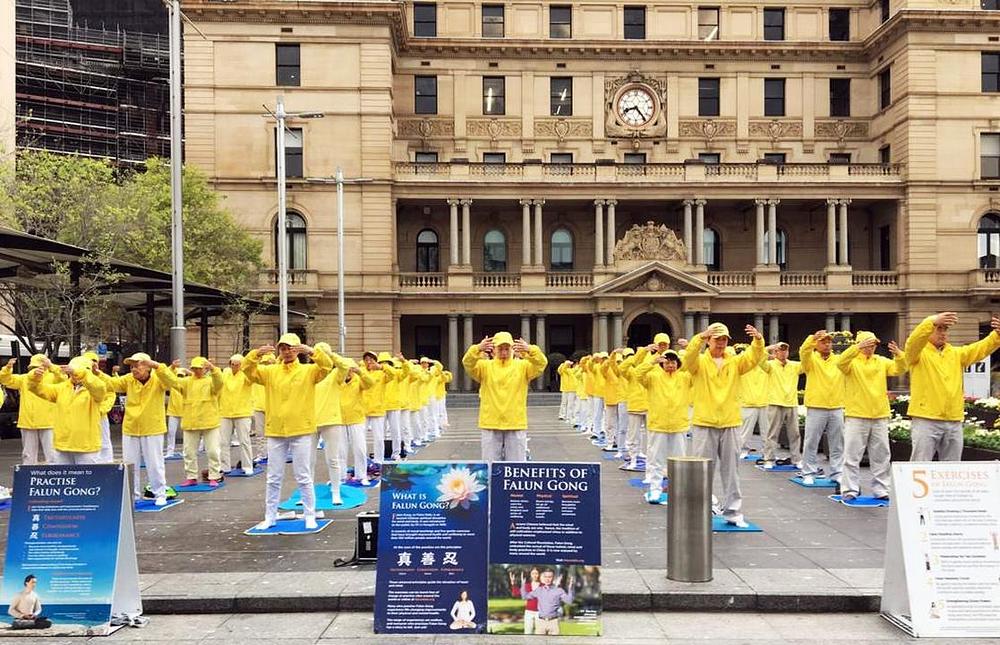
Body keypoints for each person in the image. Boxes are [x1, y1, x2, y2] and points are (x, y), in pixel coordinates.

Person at [243, 333, 333, 530]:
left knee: (303, 475)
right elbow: (248, 371)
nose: (287, 351)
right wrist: (255, 354)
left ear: (297, 349)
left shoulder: (308, 371)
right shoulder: (270, 372)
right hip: (276, 431)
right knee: (273, 476)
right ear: (279, 351)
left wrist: (312, 351)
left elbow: (326, 367)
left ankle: (310, 514)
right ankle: (270, 515)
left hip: (301, 429)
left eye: (291, 348)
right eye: (283, 348)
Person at [683, 322, 765, 528]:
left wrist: (758, 340)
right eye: (716, 339)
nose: (720, 343)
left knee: (731, 470)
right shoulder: (700, 363)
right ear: (709, 340)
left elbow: (753, 358)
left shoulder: (735, 362)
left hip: (730, 422)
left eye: (724, 339)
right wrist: (698, 338)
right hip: (705, 422)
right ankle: (700, 512)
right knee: (703, 471)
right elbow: (688, 358)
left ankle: (733, 512)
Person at [904, 312, 1000, 461]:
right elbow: (913, 341)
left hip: (954, 419)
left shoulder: (956, 353)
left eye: (945, 329)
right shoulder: (917, 354)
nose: (943, 333)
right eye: (939, 328)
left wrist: (996, 335)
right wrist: (931, 321)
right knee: (920, 465)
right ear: (929, 331)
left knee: (952, 468)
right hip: (926, 418)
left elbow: (980, 349)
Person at [836, 331, 907, 502]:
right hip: (857, 415)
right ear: (860, 344)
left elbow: (900, 369)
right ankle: (850, 489)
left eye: (873, 344)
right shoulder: (851, 363)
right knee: (852, 455)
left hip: (880, 414)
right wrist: (856, 348)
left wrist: (899, 354)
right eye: (867, 344)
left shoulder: (881, 361)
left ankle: (881, 489)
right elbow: (840, 362)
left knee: (882, 455)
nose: (871, 347)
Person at [102, 353, 178, 506]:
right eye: (131, 366)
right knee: (130, 464)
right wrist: (97, 373)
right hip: (131, 427)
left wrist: (157, 365)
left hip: (152, 427)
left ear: (147, 367)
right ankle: (133, 495)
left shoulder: (158, 379)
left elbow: (172, 382)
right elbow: (112, 384)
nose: (133, 369)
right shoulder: (129, 380)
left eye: (137, 365)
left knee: (155, 463)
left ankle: (160, 493)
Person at [462, 332, 547, 462]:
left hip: (515, 422)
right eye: (500, 348)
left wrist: (530, 350)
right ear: (494, 350)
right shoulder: (484, 366)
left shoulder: (523, 366)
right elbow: (467, 363)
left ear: (512, 349)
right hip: (490, 422)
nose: (504, 351)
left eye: (507, 348)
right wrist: (477, 348)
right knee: (490, 464)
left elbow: (541, 364)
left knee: (516, 465)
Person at [27, 356, 108, 465]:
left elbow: (99, 388)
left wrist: (80, 372)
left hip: (86, 447)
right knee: (64, 480)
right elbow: (38, 390)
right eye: (72, 371)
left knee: (86, 481)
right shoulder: (62, 388)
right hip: (62, 445)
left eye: (77, 370)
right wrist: (34, 377)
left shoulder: (94, 390)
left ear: (86, 371)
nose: (73, 374)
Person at [635, 347, 691, 502]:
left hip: (678, 424)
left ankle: (678, 489)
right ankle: (655, 489)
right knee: (656, 459)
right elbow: (637, 374)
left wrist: (685, 355)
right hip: (658, 424)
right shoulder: (653, 377)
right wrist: (652, 361)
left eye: (673, 362)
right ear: (662, 364)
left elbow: (694, 367)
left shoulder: (685, 377)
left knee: (679, 459)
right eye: (667, 362)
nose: (670, 365)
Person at [799, 330, 847, 487]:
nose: (827, 344)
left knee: (837, 443)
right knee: (811, 441)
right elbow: (803, 351)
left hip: (836, 406)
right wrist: (812, 338)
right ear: (816, 344)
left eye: (829, 342)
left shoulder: (838, 360)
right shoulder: (811, 360)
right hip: (816, 406)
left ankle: (837, 472)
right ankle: (808, 472)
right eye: (823, 342)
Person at [170, 356, 224, 487]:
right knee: (189, 452)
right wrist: (171, 369)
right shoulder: (187, 382)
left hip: (210, 422)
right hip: (190, 422)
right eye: (194, 368)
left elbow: (219, 382)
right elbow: (171, 381)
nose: (197, 371)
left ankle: (214, 475)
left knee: (213, 451)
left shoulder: (211, 381)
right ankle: (191, 476)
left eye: (199, 368)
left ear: (205, 369)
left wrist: (213, 369)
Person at [0, 355, 61, 465]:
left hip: (48, 422)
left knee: (53, 454)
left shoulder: (52, 378)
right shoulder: (25, 378)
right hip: (28, 422)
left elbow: (64, 377)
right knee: (28, 455)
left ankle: (56, 474)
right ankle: (28, 475)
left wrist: (52, 366)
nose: (36, 370)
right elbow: (6, 380)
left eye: (40, 367)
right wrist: (7, 368)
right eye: (33, 367)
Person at [312, 342, 351, 505]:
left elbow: (345, 365)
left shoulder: (336, 374)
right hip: (310, 421)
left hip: (331, 420)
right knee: (307, 461)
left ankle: (336, 492)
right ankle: (307, 493)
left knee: (333, 459)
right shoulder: (310, 372)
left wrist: (331, 354)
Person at [762, 342, 803, 469]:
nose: (783, 352)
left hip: (791, 403)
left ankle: (796, 459)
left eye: (785, 350)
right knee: (772, 433)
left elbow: (808, 363)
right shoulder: (770, 365)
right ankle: (769, 459)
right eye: (780, 350)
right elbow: (757, 358)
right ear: (775, 353)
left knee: (795, 433)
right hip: (775, 402)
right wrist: (769, 348)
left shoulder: (795, 366)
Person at [338, 356, 374, 485]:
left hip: (356, 419)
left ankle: (361, 475)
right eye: (344, 369)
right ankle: (341, 477)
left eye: (349, 369)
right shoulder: (336, 381)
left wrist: (360, 372)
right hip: (340, 420)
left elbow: (370, 383)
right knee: (340, 450)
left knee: (359, 448)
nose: (347, 372)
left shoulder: (358, 380)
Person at [219, 354, 254, 475]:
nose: (234, 366)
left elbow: (251, 377)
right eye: (232, 364)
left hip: (242, 413)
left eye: (237, 364)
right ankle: (225, 466)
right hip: (225, 412)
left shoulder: (245, 375)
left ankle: (247, 465)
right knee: (223, 441)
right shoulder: (225, 373)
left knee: (244, 441)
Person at [618, 348, 651, 469]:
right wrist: (634, 357)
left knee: (650, 436)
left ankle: (647, 457)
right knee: (633, 435)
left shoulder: (650, 368)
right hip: (635, 406)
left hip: (649, 405)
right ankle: (633, 458)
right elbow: (621, 369)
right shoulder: (630, 371)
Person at [735, 345, 769, 459]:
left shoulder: (764, 367)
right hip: (748, 403)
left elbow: (764, 356)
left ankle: (767, 453)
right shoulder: (744, 367)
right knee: (744, 432)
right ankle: (740, 450)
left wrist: (766, 350)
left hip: (764, 403)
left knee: (767, 432)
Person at [521, 569, 575, 636]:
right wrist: (523, 584)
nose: (547, 579)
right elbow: (525, 597)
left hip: (553, 622)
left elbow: (569, 601)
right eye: (545, 577)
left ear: (553, 578)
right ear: (543, 578)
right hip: (540, 622)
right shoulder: (539, 590)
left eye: (550, 577)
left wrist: (570, 588)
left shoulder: (559, 591)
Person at [361, 351, 390, 466]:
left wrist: (382, 367)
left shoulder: (382, 373)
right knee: (360, 438)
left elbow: (394, 375)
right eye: (366, 359)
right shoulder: (361, 372)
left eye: (371, 359)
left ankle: (379, 460)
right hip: (362, 410)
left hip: (377, 409)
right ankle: (362, 460)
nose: (369, 362)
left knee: (378, 437)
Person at [378, 352, 406, 460]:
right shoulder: (376, 374)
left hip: (394, 405)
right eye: (382, 362)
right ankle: (380, 454)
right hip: (381, 406)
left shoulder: (396, 374)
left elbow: (407, 371)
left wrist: (403, 361)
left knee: (395, 431)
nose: (384, 365)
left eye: (386, 363)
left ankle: (396, 453)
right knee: (380, 433)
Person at [164, 366, 187, 458]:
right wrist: (173, 367)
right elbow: (166, 373)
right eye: (178, 375)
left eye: (181, 376)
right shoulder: (172, 384)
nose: (180, 377)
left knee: (187, 433)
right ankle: (170, 452)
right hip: (173, 411)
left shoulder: (187, 384)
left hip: (185, 411)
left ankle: (186, 451)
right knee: (171, 432)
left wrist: (187, 371)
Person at [509, 568, 540, 635]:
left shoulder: (542, 585)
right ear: (530, 575)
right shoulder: (527, 585)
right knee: (528, 632)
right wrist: (513, 583)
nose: (535, 575)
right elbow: (516, 593)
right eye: (533, 573)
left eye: (536, 573)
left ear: (539, 574)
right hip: (529, 612)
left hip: (540, 612)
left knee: (540, 633)